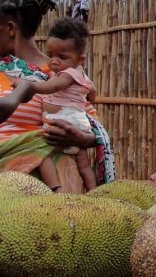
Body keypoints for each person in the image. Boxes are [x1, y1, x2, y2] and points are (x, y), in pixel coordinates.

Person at [0, 0, 113, 192]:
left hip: (46, 178)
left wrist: (77, 138)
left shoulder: (62, 75)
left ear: (10, 29)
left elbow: (91, 129)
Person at [20, 18, 98, 191]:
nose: (54, 61)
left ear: (81, 60)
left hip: (64, 120)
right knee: (83, 164)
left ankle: (56, 187)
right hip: (76, 122)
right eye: (50, 55)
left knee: (40, 151)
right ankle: (94, 192)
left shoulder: (68, 74)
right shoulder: (78, 74)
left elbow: (53, 87)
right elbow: (92, 91)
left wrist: (30, 86)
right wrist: (90, 96)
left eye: (62, 57)